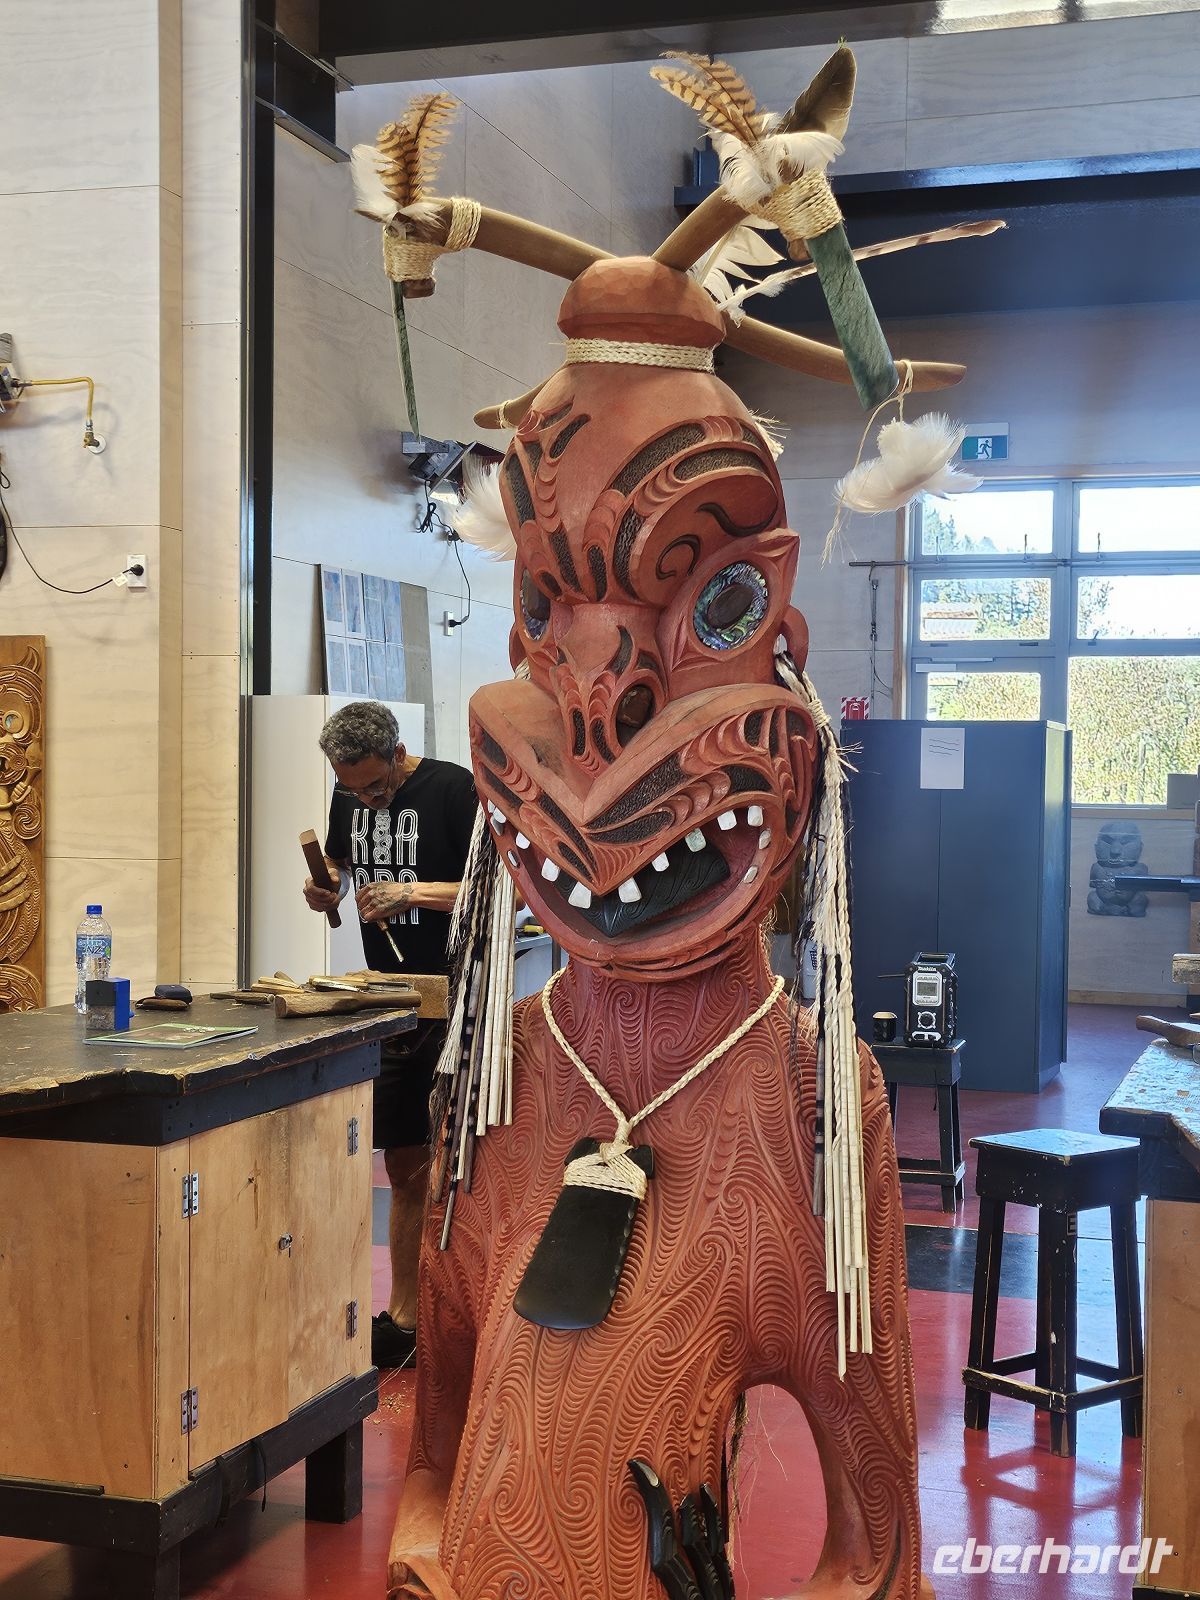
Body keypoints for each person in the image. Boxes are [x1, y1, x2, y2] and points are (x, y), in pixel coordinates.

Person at [304, 701, 477, 1368]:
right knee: (403, 1164)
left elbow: (500, 891)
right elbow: (340, 867)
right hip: (388, 999)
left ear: (399, 752)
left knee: (451, 1166)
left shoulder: (453, 789)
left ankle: (447, 1310)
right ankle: (405, 1314)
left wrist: (412, 893)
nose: (367, 800)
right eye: (353, 789)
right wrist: (328, 889)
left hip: (453, 996)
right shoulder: (350, 797)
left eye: (376, 786)